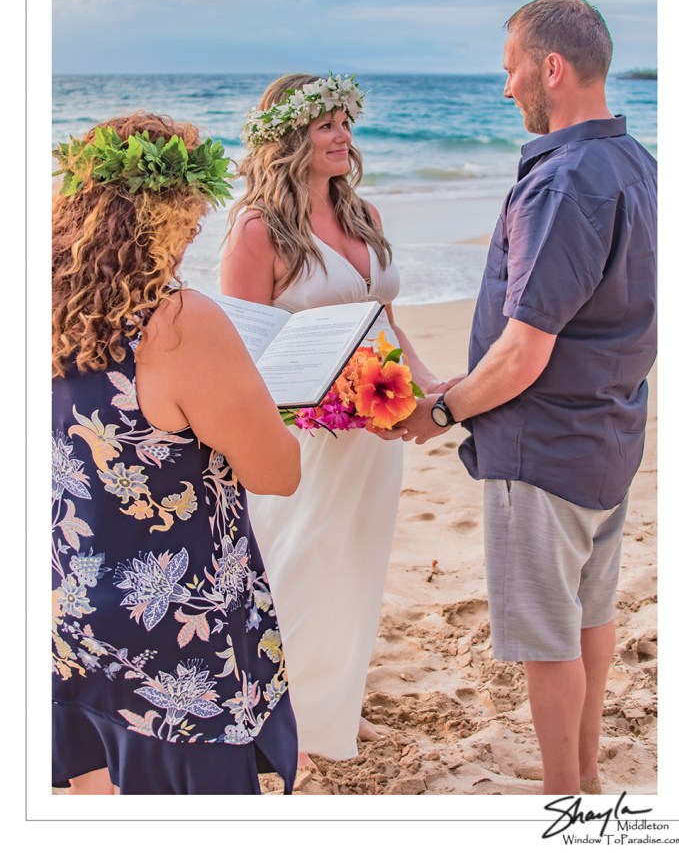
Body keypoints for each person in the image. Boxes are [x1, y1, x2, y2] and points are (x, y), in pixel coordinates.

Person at [396, 0, 657, 795]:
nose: (505, 87)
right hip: (608, 437)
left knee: (550, 640)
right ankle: (579, 780)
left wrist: (439, 410)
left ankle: (562, 797)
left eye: (511, 67)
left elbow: (519, 356)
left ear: (551, 67)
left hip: (543, 449)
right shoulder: (638, 163)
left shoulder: (564, 182)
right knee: (589, 618)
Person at [52, 111, 301, 795]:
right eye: (190, 209)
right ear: (166, 211)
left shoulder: (35, 304)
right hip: (173, 635)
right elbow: (277, 473)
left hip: (69, 611)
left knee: (98, 796)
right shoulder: (178, 321)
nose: (196, 227)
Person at [220, 74, 440, 763]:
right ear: (288, 137)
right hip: (304, 439)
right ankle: (277, 721)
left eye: (347, 121)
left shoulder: (364, 213)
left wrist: (427, 388)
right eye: (326, 125)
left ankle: (330, 711)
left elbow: (386, 322)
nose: (344, 135)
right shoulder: (258, 230)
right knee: (297, 566)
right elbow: (244, 353)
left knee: (356, 565)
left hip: (375, 433)